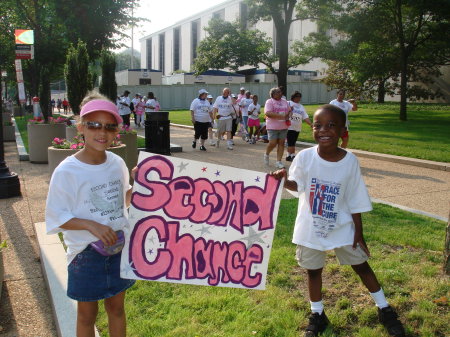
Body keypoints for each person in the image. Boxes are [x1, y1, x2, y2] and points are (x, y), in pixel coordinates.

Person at [270, 104, 405, 337]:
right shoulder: (304, 157)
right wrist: (284, 179)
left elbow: (355, 198)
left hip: (342, 226)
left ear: (343, 130)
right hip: (311, 227)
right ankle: (318, 314)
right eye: (318, 125)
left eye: (331, 125)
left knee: (361, 266)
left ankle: (384, 308)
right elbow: (298, 186)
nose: (324, 130)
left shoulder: (350, 161)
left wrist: (359, 232)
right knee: (313, 271)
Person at [45, 93, 136, 337]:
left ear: (117, 130)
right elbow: (56, 216)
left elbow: (123, 200)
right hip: (85, 255)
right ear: (80, 127)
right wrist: (90, 225)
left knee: (117, 308)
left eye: (109, 126)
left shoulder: (117, 163)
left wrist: (143, 186)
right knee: (87, 315)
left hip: (119, 248)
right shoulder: (68, 171)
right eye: (94, 125)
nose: (102, 132)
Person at [264, 87, 291, 169]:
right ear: (273, 94)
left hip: (283, 126)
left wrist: (289, 115)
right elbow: (268, 113)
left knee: (281, 143)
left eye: (280, 92)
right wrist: (281, 116)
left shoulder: (284, 101)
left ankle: (278, 161)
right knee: (273, 143)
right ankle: (266, 154)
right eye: (278, 92)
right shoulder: (269, 102)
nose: (280, 93)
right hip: (272, 126)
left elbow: (289, 111)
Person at [286, 91, 312, 161]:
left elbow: (305, 117)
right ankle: (293, 155)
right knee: (291, 142)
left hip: (297, 127)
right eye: (297, 96)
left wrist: (311, 124)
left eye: (300, 97)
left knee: (293, 142)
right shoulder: (288, 103)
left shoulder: (301, 106)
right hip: (289, 126)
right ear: (293, 97)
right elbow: (283, 113)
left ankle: (288, 155)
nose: (299, 98)